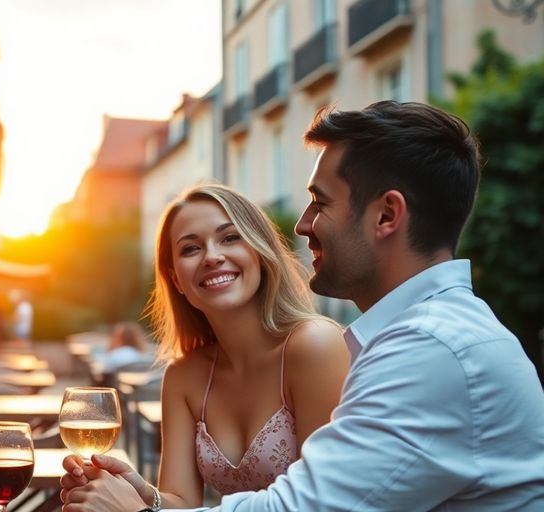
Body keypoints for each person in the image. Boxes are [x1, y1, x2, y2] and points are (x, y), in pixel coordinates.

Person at [60, 101, 544, 511]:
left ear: (387, 215)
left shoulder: (431, 350)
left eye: (320, 202)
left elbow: (299, 508)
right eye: (189, 249)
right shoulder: (418, 336)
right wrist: (149, 500)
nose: (302, 225)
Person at [64, 183, 351, 510]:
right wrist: (146, 495)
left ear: (259, 251)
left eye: (230, 238)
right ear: (176, 281)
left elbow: (320, 504)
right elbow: (183, 502)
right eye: (190, 249)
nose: (213, 257)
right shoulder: (184, 376)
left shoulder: (314, 345)